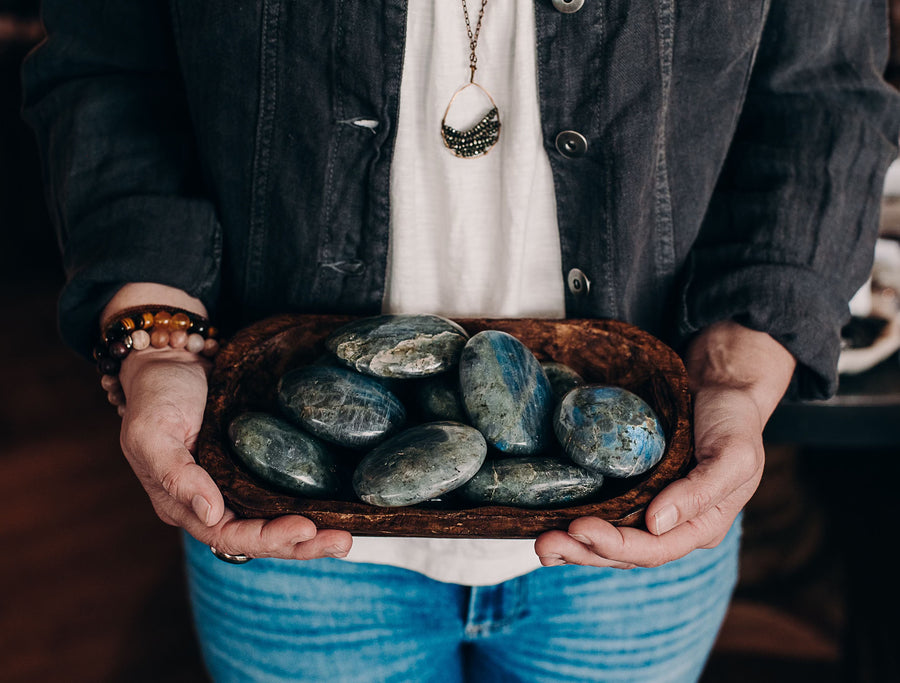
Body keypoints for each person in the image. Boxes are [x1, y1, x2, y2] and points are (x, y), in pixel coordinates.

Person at [22, 1, 900, 681]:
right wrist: (157, 336)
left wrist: (739, 374)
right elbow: (109, 62)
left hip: (637, 520)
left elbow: (823, 95)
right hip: (285, 524)